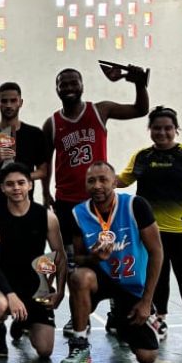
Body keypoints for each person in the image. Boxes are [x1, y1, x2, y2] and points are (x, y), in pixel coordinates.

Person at [42, 66, 149, 335]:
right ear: (56, 89)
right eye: (62, 84)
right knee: (76, 261)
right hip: (67, 202)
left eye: (73, 82)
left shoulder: (100, 110)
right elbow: (46, 161)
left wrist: (139, 84)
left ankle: (118, 310)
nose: (68, 87)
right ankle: (81, 317)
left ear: (82, 85)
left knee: (114, 253)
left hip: (101, 203)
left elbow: (140, 110)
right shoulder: (52, 123)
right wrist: (45, 192)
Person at [118, 107, 182, 345]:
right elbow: (122, 179)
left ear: (175, 129)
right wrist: (98, 177)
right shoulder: (143, 157)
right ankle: (160, 318)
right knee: (157, 276)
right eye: (157, 128)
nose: (162, 132)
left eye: (167, 128)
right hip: (150, 232)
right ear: (150, 130)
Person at [61, 161, 163, 363]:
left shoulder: (136, 205)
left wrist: (146, 301)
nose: (97, 185)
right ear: (86, 185)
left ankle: (125, 318)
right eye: (91, 181)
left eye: (103, 180)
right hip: (100, 278)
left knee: (147, 357)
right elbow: (77, 258)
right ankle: (79, 344)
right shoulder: (78, 213)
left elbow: (156, 252)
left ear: (115, 182)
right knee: (79, 277)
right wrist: (93, 259)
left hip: (131, 283)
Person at [0, 82, 49, 334]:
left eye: (13, 100)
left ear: (21, 102)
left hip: (24, 210)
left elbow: (44, 171)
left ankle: (24, 309)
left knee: (28, 256)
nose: (9, 105)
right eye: (4, 100)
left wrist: (19, 179)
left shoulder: (35, 134)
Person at [0, 162, 67, 359]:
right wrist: (11, 296)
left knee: (45, 350)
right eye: (10, 184)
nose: (16, 188)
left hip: (35, 284)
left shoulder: (47, 217)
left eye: (21, 183)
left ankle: (22, 321)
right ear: (3, 188)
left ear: (30, 184)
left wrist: (60, 291)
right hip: (3, 283)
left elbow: (60, 256)